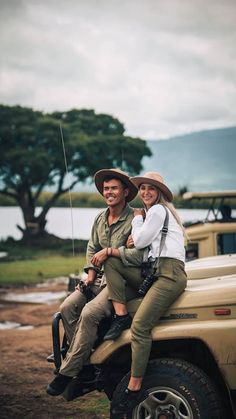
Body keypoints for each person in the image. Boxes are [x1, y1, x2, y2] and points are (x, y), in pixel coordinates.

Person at [46, 168, 143, 396]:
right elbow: (92, 248)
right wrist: (89, 276)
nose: (109, 192)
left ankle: (68, 371)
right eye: (105, 189)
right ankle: (87, 366)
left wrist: (113, 252)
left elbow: (138, 255)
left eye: (114, 188)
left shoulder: (136, 218)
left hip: (123, 281)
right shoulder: (100, 217)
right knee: (67, 307)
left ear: (125, 192)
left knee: (90, 312)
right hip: (99, 277)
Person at [102, 171, 187, 415]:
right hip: (156, 272)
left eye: (151, 188)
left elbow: (139, 242)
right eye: (143, 188)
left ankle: (134, 385)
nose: (146, 192)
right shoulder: (155, 214)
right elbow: (140, 245)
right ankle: (120, 316)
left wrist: (137, 221)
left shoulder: (158, 211)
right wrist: (133, 239)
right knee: (111, 261)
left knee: (140, 327)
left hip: (169, 275)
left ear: (159, 192)